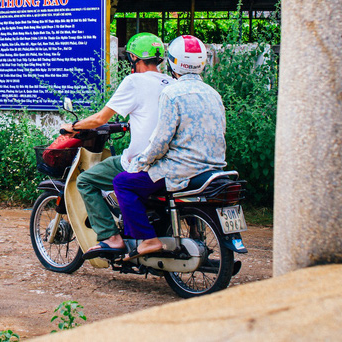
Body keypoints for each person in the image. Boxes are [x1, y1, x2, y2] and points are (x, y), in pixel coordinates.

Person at [112, 34, 227, 259]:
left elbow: (160, 141)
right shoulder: (213, 94)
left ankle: (148, 239)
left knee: (123, 182)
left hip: (180, 170)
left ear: (173, 61)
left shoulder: (171, 93)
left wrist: (140, 162)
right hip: (213, 169)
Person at [60, 32, 171, 259]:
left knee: (86, 180)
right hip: (170, 162)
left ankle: (110, 237)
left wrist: (74, 125)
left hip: (142, 160)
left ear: (134, 58)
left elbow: (100, 119)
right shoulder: (172, 82)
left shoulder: (134, 81)